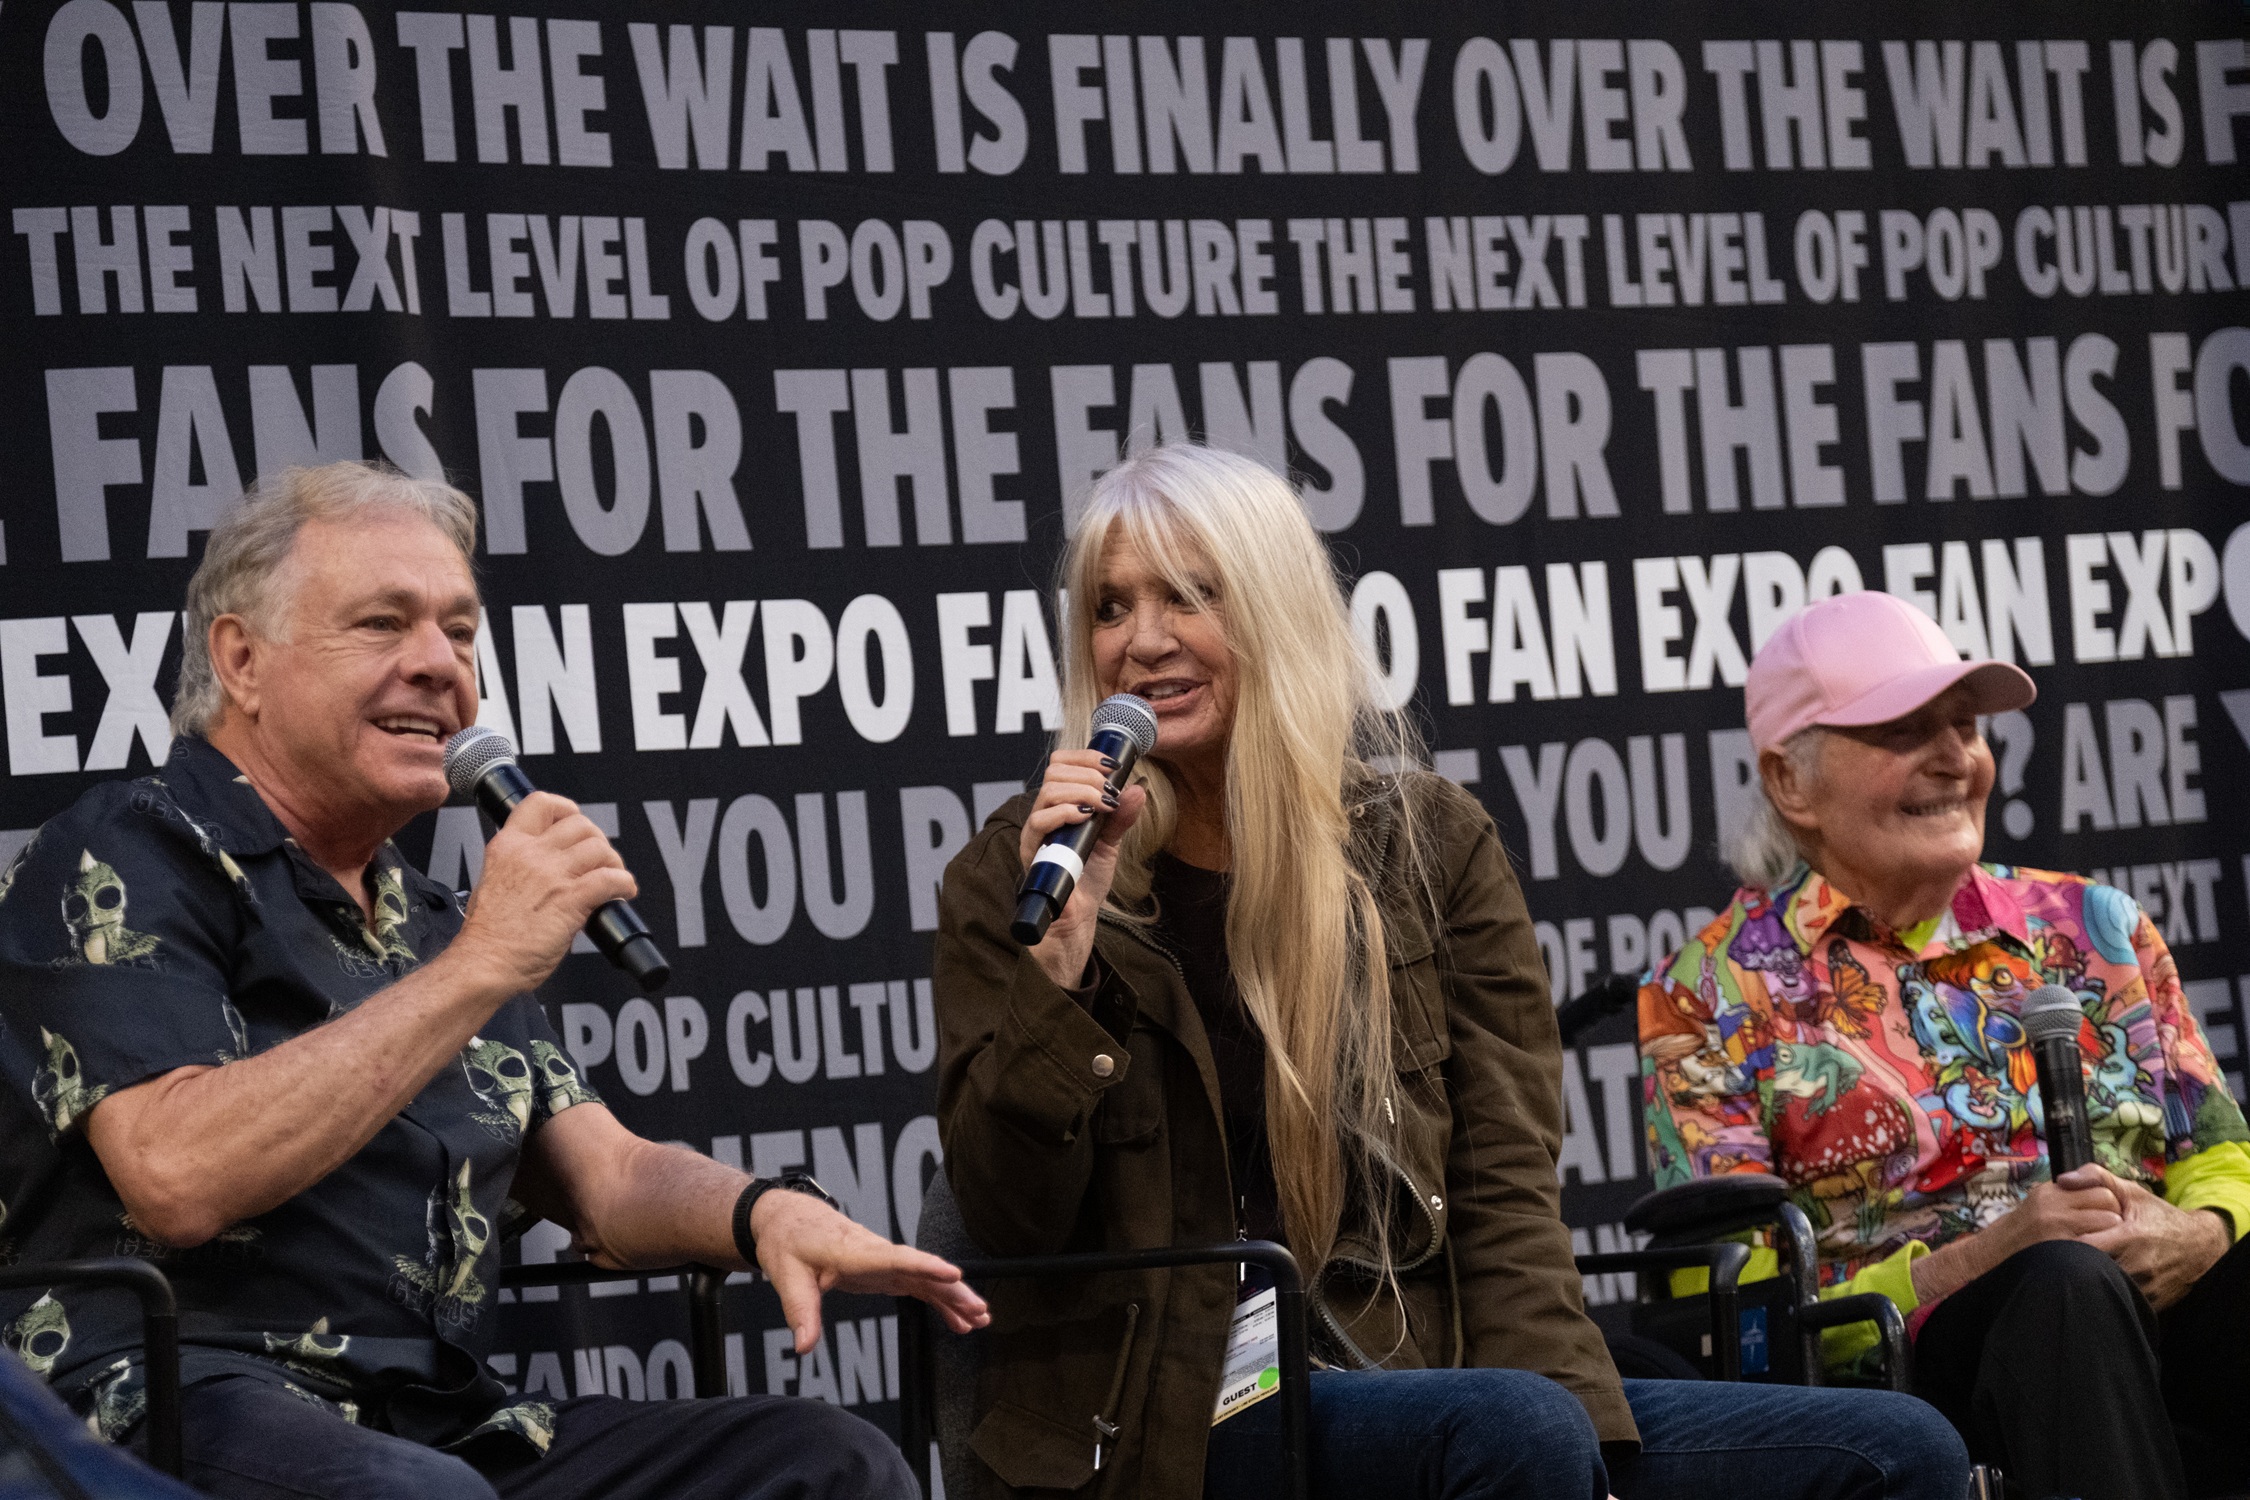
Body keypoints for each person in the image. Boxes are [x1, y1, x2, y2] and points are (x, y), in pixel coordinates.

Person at [933, 444, 1967, 1500]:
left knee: (1897, 1452)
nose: (1142, 641)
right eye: (1110, 609)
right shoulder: (1024, 873)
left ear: (1276, 612)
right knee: (1508, 1427)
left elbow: (1505, 1194)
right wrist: (1055, 978)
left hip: (1416, 1370)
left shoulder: (1431, 846)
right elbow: (1009, 1223)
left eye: (1190, 595)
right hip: (1172, 1411)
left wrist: (1587, 1447)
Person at [0, 462, 988, 1499]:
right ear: (241, 660)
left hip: (443, 1420)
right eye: (384, 624)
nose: (440, 666)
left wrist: (762, 1213)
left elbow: (606, 1179)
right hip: (163, 1408)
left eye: (460, 632)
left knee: (823, 1463)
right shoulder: (128, 856)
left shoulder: (429, 921)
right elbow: (175, 1174)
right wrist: (478, 967)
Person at [1640, 588, 2250, 1500]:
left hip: (2158, 1307)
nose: (1955, 759)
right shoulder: (1709, 995)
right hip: (1919, 1379)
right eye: (1902, 731)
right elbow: (1744, 1315)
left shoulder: (2097, 927)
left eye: (1965, 726)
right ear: (1789, 781)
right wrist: (1985, 1256)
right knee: (2063, 1285)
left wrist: (2200, 1232)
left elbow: (2221, 1152)